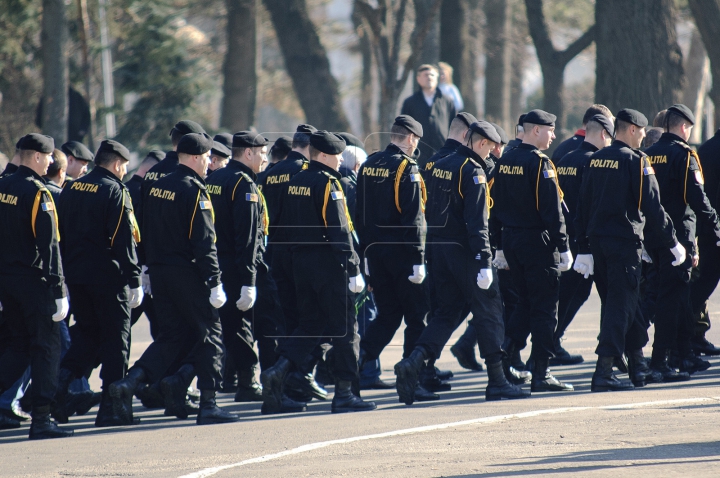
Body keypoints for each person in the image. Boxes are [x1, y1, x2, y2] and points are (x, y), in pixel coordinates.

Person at [394, 120, 529, 405]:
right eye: (491, 149)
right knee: (490, 311)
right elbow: (478, 223)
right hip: (467, 252)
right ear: (481, 144)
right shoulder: (473, 171)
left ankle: (415, 361)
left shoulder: (436, 164)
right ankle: (497, 380)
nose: (492, 155)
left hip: (438, 249)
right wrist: (483, 260)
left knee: (446, 313)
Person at [109, 133, 239, 426]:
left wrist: (147, 267)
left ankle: (127, 385)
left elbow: (143, 228)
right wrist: (214, 280)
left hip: (160, 272)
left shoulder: (156, 185)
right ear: (194, 157)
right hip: (187, 273)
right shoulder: (193, 189)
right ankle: (209, 403)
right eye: (207, 158)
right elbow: (204, 241)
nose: (209, 164)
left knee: (171, 337)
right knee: (211, 335)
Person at [260, 131, 376, 415]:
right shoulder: (328, 183)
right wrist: (353, 267)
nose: (340, 161)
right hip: (329, 265)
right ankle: (345, 392)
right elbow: (339, 230)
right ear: (324, 156)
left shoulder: (295, 180)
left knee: (310, 326)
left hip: (300, 263)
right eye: (337, 156)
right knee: (346, 329)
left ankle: (278, 370)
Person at [574, 108, 686, 391]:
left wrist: (583, 247)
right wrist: (672, 242)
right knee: (619, 307)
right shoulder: (637, 161)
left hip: (598, 244)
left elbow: (582, 206)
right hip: (624, 244)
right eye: (642, 131)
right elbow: (653, 206)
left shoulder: (595, 159)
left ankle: (637, 364)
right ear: (633, 129)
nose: (644, 137)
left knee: (628, 303)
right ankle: (603, 370)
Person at [54, 140, 143, 426]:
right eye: (125, 166)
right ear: (117, 163)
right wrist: (134, 278)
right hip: (107, 278)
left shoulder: (72, 187)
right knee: (117, 340)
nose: (125, 171)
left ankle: (59, 387)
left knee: (87, 335)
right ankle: (111, 408)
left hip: (77, 278)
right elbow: (122, 239)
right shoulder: (115, 190)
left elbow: (61, 235)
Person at [491, 109, 575, 393]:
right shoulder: (541, 164)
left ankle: (503, 360)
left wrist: (500, 246)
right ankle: (541, 371)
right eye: (550, 130)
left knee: (525, 305)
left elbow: (495, 209)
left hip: (513, 242)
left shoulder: (505, 160)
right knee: (544, 310)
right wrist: (563, 247)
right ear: (536, 130)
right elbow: (553, 212)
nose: (553, 136)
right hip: (538, 244)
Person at [0, 133, 73, 439]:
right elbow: (49, 246)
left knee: (17, 345)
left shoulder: (2, 186)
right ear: (38, 157)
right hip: (33, 282)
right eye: (48, 158)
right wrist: (58, 289)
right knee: (46, 348)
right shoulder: (38, 193)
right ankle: (42, 418)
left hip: (7, 281)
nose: (50, 163)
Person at [206, 131, 286, 404]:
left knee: (233, 327)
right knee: (266, 325)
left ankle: (245, 380)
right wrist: (250, 280)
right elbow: (249, 239)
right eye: (262, 154)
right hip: (244, 268)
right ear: (248, 153)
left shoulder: (214, 178)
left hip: (219, 265)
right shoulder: (244, 185)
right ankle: (264, 383)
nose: (265, 159)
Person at [355, 115, 432, 400]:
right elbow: (413, 219)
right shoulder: (406, 168)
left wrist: (365, 258)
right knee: (417, 317)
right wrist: (418, 259)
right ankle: (411, 382)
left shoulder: (368, 164)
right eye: (417, 141)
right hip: (403, 256)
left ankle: (355, 364)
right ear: (411, 138)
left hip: (375, 254)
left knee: (387, 316)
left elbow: (359, 214)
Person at [643, 104, 720, 378]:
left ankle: (681, 353)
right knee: (672, 299)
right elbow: (698, 200)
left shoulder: (649, 154)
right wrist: (715, 229)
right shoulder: (684, 155)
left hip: (654, 237)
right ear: (684, 127)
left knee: (671, 296)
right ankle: (661, 361)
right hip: (680, 240)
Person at [553, 112, 614, 366]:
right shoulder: (595, 161)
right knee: (604, 294)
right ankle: (608, 352)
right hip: (586, 239)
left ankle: (550, 342)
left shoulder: (566, 157)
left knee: (570, 294)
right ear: (603, 134)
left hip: (566, 236)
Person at [690, 125, 720, 356]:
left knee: (703, 283)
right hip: (713, 226)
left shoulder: (705, 149)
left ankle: (688, 334)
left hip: (708, 228)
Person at [400, 64, 456, 167]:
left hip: (442, 154)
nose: (429, 77)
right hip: (418, 155)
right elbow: (404, 129)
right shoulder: (410, 102)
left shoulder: (447, 101)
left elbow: (454, 127)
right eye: (425, 75)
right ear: (418, 79)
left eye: (432, 75)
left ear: (437, 78)